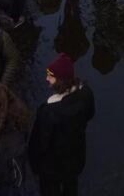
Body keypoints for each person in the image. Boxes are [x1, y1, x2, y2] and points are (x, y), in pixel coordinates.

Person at [29, 54, 96, 196]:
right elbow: (90, 114)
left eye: (50, 76)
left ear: (61, 81)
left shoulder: (48, 112)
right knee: (71, 185)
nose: (47, 78)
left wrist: (35, 165)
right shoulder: (86, 93)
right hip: (75, 157)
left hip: (51, 166)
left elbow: (40, 143)